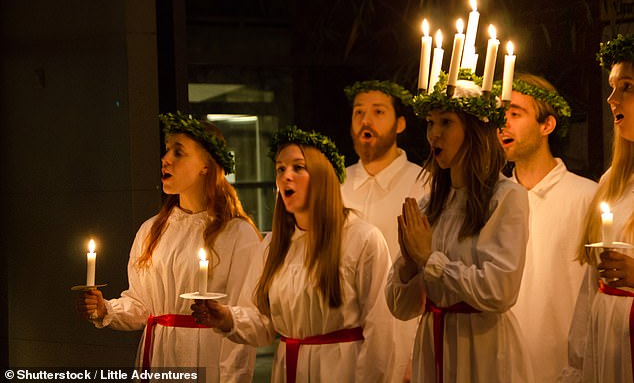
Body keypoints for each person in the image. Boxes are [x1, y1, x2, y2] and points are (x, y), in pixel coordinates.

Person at [191, 125, 396, 383]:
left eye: (298, 167)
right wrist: (227, 318)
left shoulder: (362, 239)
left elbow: (381, 334)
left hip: (341, 372)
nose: (286, 176)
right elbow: (263, 325)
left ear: (323, 176)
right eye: (280, 168)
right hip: (288, 370)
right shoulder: (274, 246)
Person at [76, 111, 262, 382]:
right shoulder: (152, 230)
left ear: (206, 165)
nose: (165, 159)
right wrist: (107, 309)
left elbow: (242, 323)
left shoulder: (237, 234)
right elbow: (141, 305)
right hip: (159, 359)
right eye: (166, 151)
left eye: (179, 152)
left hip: (206, 362)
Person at [385, 75, 534, 382]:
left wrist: (430, 260)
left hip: (483, 348)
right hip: (435, 343)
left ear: (474, 130)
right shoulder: (430, 206)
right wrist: (410, 262)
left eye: (446, 123)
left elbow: (500, 291)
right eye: (430, 123)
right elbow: (400, 307)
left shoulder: (507, 197)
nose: (434, 135)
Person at [497, 73, 597, 382]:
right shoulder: (492, 200)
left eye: (515, 113)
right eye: (501, 114)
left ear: (547, 125)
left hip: (562, 368)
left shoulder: (586, 197)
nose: (504, 124)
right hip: (499, 365)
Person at [341, 80, 428, 382]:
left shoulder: (422, 184)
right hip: (343, 339)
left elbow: (427, 267)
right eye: (359, 112)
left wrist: (415, 350)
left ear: (400, 123)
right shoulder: (336, 185)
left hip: (402, 334)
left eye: (378, 112)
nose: (366, 120)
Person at [560, 33, 634, 383]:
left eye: (627, 87)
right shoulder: (611, 181)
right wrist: (576, 365)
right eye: (611, 86)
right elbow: (591, 285)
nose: (611, 99)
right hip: (606, 339)